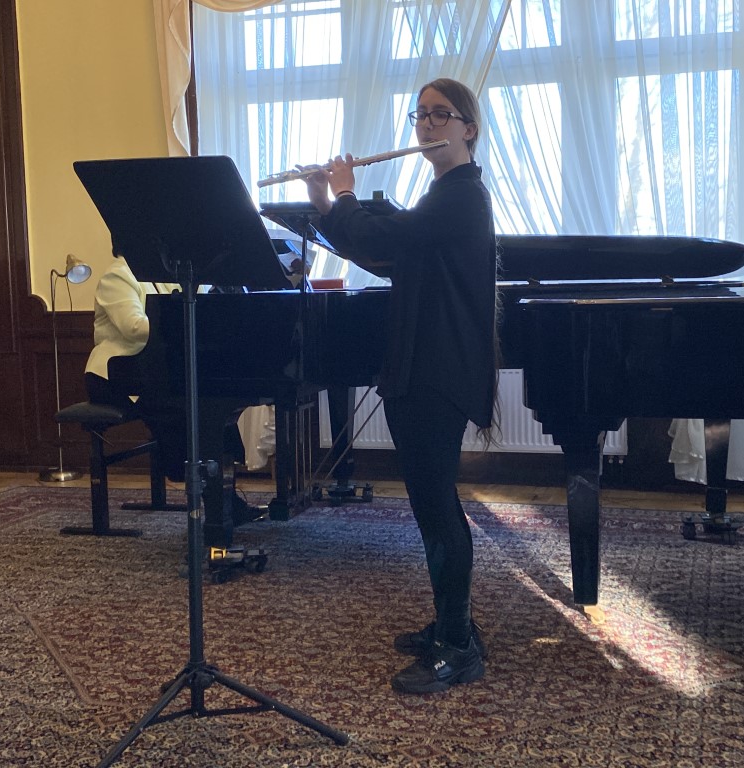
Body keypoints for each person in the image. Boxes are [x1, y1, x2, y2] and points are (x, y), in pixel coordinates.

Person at [303, 78, 497, 694]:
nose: (428, 125)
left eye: (442, 115)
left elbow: (383, 236)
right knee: (431, 505)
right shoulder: (440, 198)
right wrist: (325, 203)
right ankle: (452, 622)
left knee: (437, 507)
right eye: (421, 115)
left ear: (469, 128)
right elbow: (379, 253)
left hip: (438, 370)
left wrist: (345, 193)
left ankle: (458, 646)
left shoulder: (462, 196)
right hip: (423, 366)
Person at [84, 245, 269, 521]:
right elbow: (133, 328)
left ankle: (225, 502)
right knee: (186, 413)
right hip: (113, 377)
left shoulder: (165, 277)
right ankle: (206, 495)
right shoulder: (118, 276)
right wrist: (182, 323)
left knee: (212, 413)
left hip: (151, 373)